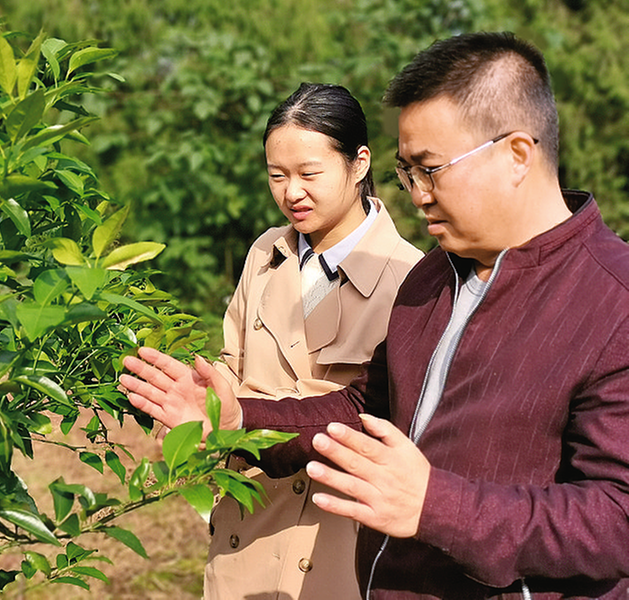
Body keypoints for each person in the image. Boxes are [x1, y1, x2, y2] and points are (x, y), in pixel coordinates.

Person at [121, 31, 629, 599]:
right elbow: (363, 410)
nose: (417, 195)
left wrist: (437, 506)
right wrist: (239, 417)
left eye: (431, 169)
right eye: (408, 172)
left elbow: (617, 517)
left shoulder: (613, 302)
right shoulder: (433, 280)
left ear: (516, 155)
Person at [200, 83, 421, 600]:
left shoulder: (411, 279)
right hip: (247, 525)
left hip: (339, 543)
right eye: (277, 176)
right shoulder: (265, 254)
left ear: (359, 163)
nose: (291, 192)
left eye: (309, 174)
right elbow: (230, 362)